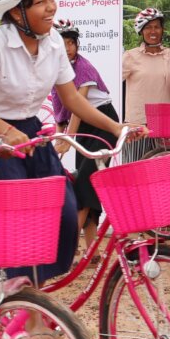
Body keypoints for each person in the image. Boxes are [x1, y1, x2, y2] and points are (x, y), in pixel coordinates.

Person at [0, 0, 129, 282]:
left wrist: (116, 127)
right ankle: (17, 299)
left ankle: (31, 292)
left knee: (65, 214)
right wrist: (7, 134)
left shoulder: (53, 42)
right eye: (40, 1)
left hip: (31, 133)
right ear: (14, 12)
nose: (51, 6)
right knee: (19, 221)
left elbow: (72, 98)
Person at [50, 20, 119, 248]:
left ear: (77, 44)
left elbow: (76, 106)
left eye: (71, 42)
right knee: (87, 184)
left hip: (103, 124)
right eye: (63, 43)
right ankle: (92, 250)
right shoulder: (56, 69)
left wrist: (67, 139)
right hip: (85, 129)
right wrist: (60, 134)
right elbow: (61, 108)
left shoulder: (83, 68)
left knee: (85, 183)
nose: (68, 47)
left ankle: (66, 248)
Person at [122, 7, 170, 159]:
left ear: (162, 30)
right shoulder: (130, 56)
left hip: (165, 121)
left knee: (165, 171)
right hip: (138, 123)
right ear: (141, 31)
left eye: (157, 27)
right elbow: (114, 84)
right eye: (148, 27)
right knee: (135, 169)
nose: (153, 31)